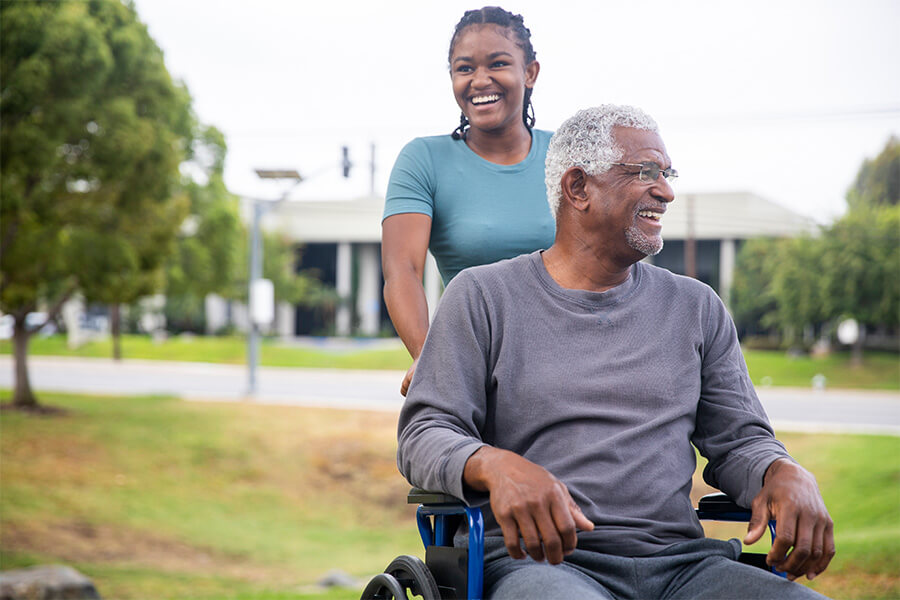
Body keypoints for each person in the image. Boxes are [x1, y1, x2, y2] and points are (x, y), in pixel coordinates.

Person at [397, 105, 835, 599]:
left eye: (667, 174)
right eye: (646, 172)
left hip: (681, 568)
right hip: (543, 564)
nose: (666, 191)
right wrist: (496, 466)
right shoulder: (483, 297)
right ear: (578, 188)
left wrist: (782, 471)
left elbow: (740, 442)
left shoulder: (696, 307)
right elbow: (423, 433)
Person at [382, 6, 555, 396]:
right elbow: (402, 270)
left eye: (497, 63)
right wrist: (433, 363)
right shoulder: (423, 159)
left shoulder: (566, 155)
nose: (480, 80)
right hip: (472, 366)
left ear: (530, 73)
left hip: (570, 359)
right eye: (464, 69)